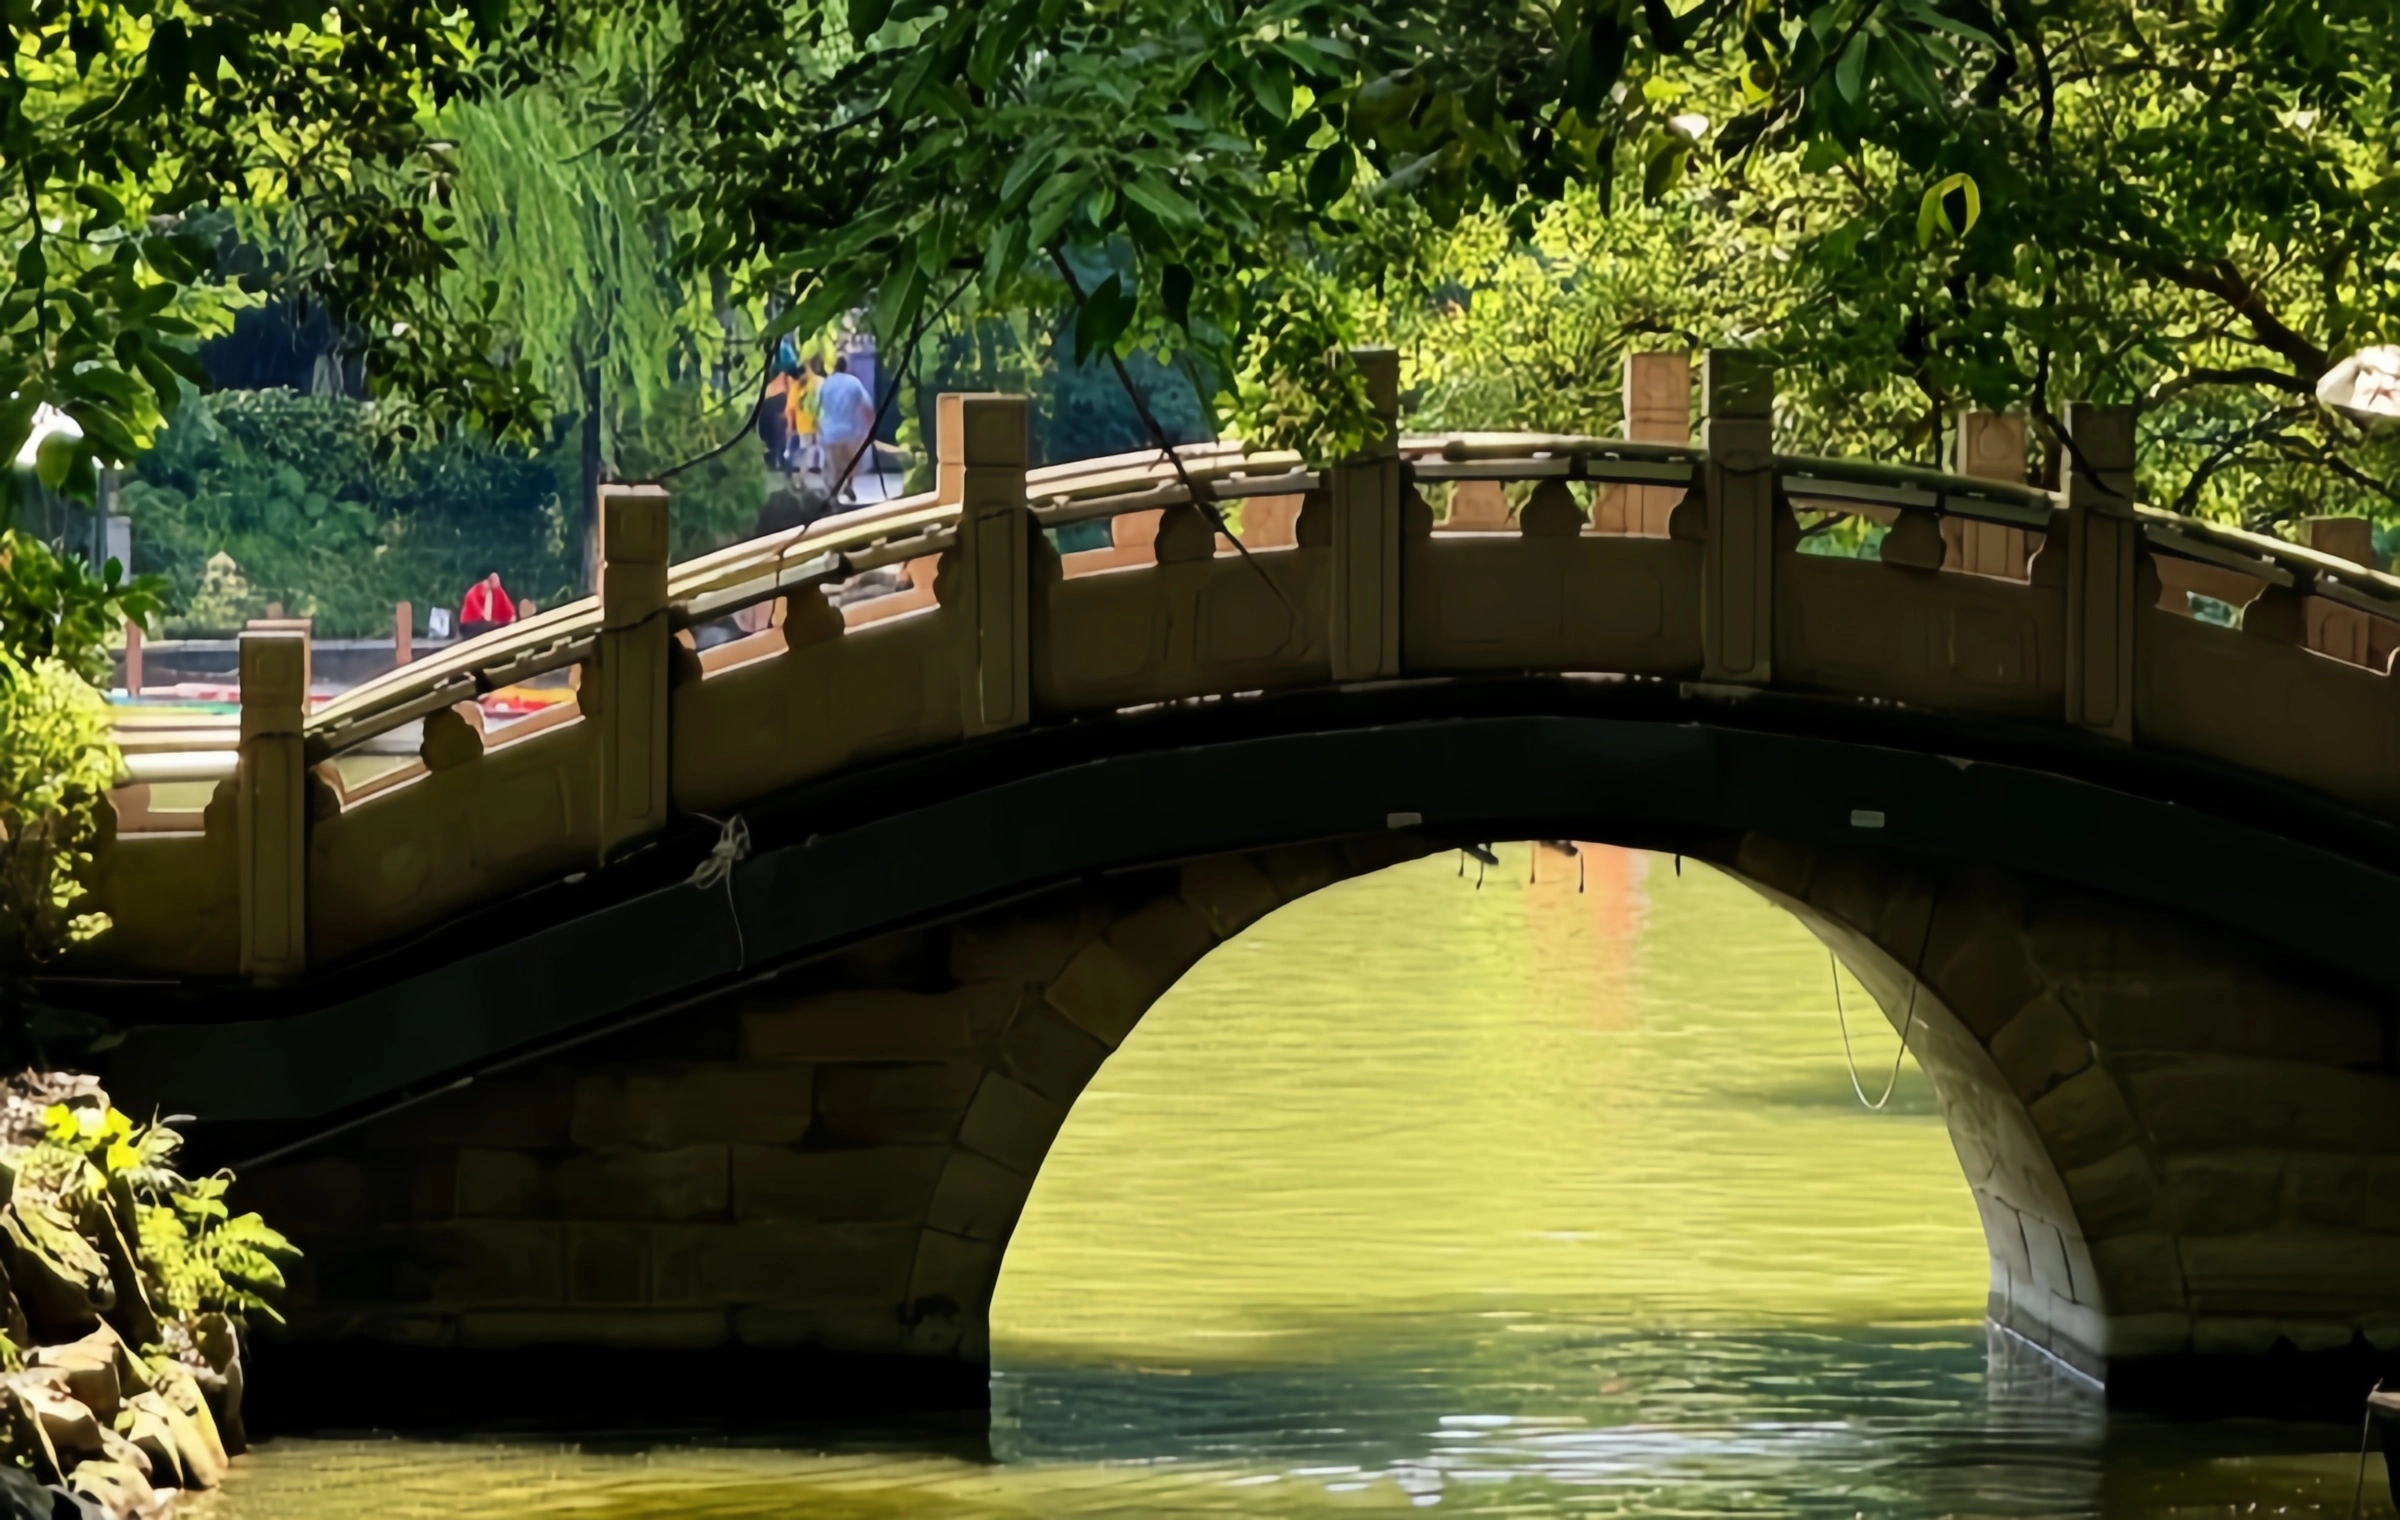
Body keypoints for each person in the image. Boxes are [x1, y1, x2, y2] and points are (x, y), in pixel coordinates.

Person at [816, 355, 877, 501]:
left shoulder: (826, 384)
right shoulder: (854, 383)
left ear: (835, 367)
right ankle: (849, 486)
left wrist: (819, 429)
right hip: (851, 432)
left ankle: (834, 495)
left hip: (830, 432)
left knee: (834, 467)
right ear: (846, 367)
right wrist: (870, 428)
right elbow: (868, 407)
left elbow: (818, 408)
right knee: (851, 464)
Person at [459, 571, 516, 640]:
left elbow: (508, 609)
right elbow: (483, 615)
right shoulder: (473, 592)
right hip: (470, 625)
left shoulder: (497, 590)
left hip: (491, 624)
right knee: (490, 626)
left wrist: (510, 617)